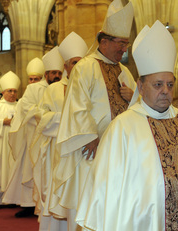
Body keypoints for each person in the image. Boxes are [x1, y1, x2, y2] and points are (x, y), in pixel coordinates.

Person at [75, 20, 178, 231]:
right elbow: (106, 191)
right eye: (158, 84)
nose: (165, 91)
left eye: (170, 85)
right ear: (141, 86)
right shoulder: (122, 128)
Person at [53, 0, 136, 229]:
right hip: (92, 148)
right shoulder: (85, 67)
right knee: (88, 206)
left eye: (126, 44)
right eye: (120, 43)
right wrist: (89, 135)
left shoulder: (125, 71)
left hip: (121, 150)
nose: (124, 49)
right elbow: (77, 104)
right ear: (105, 41)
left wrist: (134, 98)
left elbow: (139, 109)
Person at [30, 31, 88, 231]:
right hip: (59, 151)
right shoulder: (52, 90)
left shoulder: (91, 85)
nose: (78, 66)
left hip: (84, 152)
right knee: (59, 195)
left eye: (81, 62)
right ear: (65, 66)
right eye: (73, 63)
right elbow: (41, 118)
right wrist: (64, 120)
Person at [3, 46, 64, 217]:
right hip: (35, 136)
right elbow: (27, 109)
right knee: (31, 169)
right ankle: (30, 204)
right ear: (46, 75)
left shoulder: (64, 87)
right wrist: (44, 116)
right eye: (53, 73)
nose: (56, 76)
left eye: (58, 73)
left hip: (55, 136)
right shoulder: (34, 89)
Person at [0, 71, 20, 210]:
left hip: (15, 146)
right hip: (0, 145)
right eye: (9, 91)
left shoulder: (20, 106)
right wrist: (1, 122)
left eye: (15, 91)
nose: (12, 94)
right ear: (3, 92)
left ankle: (12, 199)